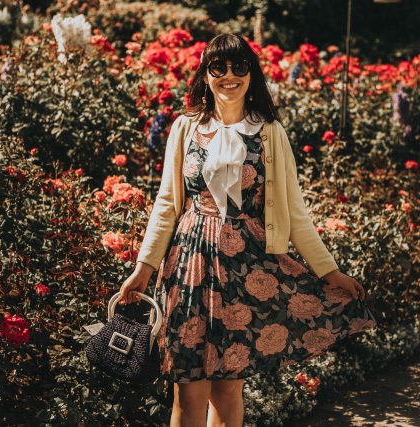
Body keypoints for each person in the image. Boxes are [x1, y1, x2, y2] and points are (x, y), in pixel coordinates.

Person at [118, 33, 377, 427]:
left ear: (251, 74)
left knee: (228, 389)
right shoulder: (185, 129)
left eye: (239, 67)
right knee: (189, 389)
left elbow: (295, 212)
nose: (229, 76)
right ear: (205, 75)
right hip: (188, 266)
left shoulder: (269, 132)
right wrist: (144, 267)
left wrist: (330, 272)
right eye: (218, 67)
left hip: (246, 270)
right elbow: (167, 205)